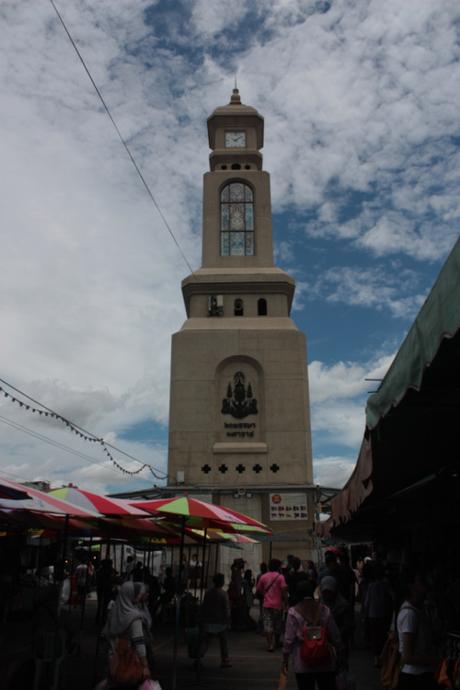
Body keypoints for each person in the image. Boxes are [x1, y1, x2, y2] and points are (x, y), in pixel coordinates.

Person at [282, 579, 341, 690]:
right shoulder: (324, 610)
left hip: (302, 662)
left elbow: (288, 639)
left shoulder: (293, 612)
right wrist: (339, 651)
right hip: (325, 659)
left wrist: (285, 658)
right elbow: (335, 635)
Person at [103, 580, 153, 684]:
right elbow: (140, 644)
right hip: (130, 663)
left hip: (113, 661)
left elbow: (105, 635)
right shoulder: (134, 618)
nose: (138, 596)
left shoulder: (113, 613)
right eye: (136, 593)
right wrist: (145, 665)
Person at [396, 571, 439, 690]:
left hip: (420, 675)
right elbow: (408, 657)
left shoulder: (421, 610)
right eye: (421, 582)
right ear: (411, 586)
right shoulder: (409, 614)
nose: (426, 586)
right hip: (415, 677)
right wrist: (438, 660)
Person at [363, 562, 393, 666]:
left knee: (375, 637)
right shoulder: (386, 585)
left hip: (373, 615)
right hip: (384, 614)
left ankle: (377, 658)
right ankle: (385, 657)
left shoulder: (371, 586)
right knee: (384, 636)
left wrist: (365, 614)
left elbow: (367, 602)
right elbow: (390, 598)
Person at [320, 576, 354, 667]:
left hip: (340, 642)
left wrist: (335, 636)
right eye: (325, 592)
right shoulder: (320, 604)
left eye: (329, 592)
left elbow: (347, 625)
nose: (327, 595)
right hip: (323, 643)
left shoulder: (343, 605)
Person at [256, 558, 288, 652]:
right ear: (278, 567)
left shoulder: (263, 577)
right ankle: (277, 642)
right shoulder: (280, 577)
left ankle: (270, 645)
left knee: (268, 624)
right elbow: (284, 591)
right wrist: (286, 602)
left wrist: (265, 595)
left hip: (266, 605)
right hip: (278, 605)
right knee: (277, 625)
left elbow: (259, 590)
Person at [200, 573, 232, 668]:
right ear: (221, 582)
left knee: (206, 641)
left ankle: (199, 657)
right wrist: (228, 621)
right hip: (220, 622)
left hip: (209, 621)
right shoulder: (223, 594)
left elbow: (204, 606)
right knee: (223, 641)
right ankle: (225, 659)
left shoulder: (208, 593)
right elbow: (227, 609)